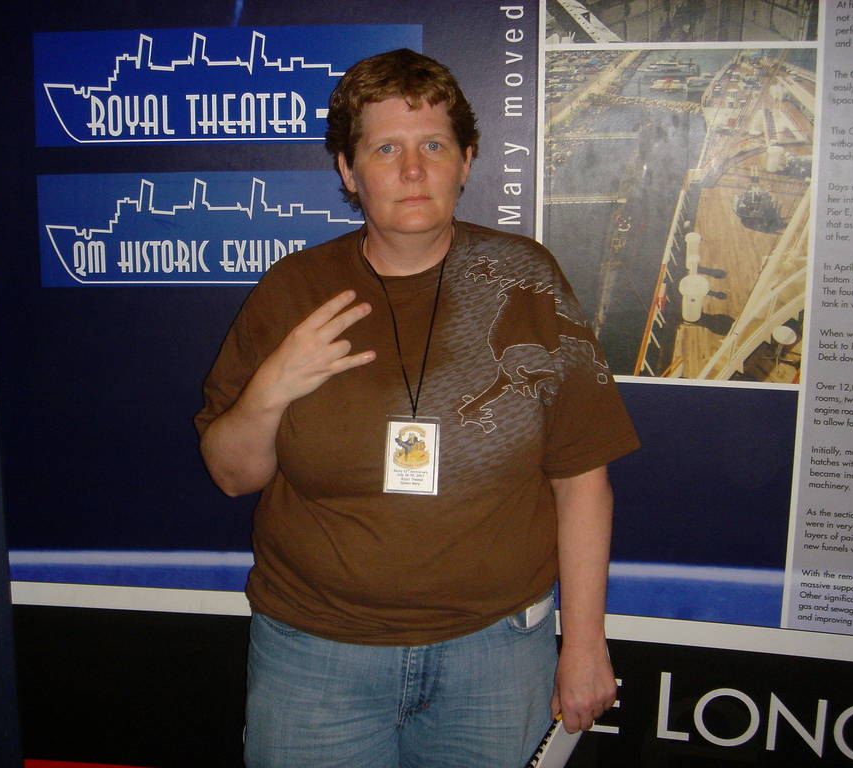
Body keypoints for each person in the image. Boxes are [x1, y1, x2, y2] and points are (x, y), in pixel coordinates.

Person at [195, 48, 639, 768]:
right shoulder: (293, 290)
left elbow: (582, 477)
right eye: (385, 149)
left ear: (466, 161)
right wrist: (272, 385)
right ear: (348, 171)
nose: (411, 170)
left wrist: (585, 643)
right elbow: (232, 475)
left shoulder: (526, 280)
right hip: (316, 655)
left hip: (496, 655)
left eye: (433, 145)